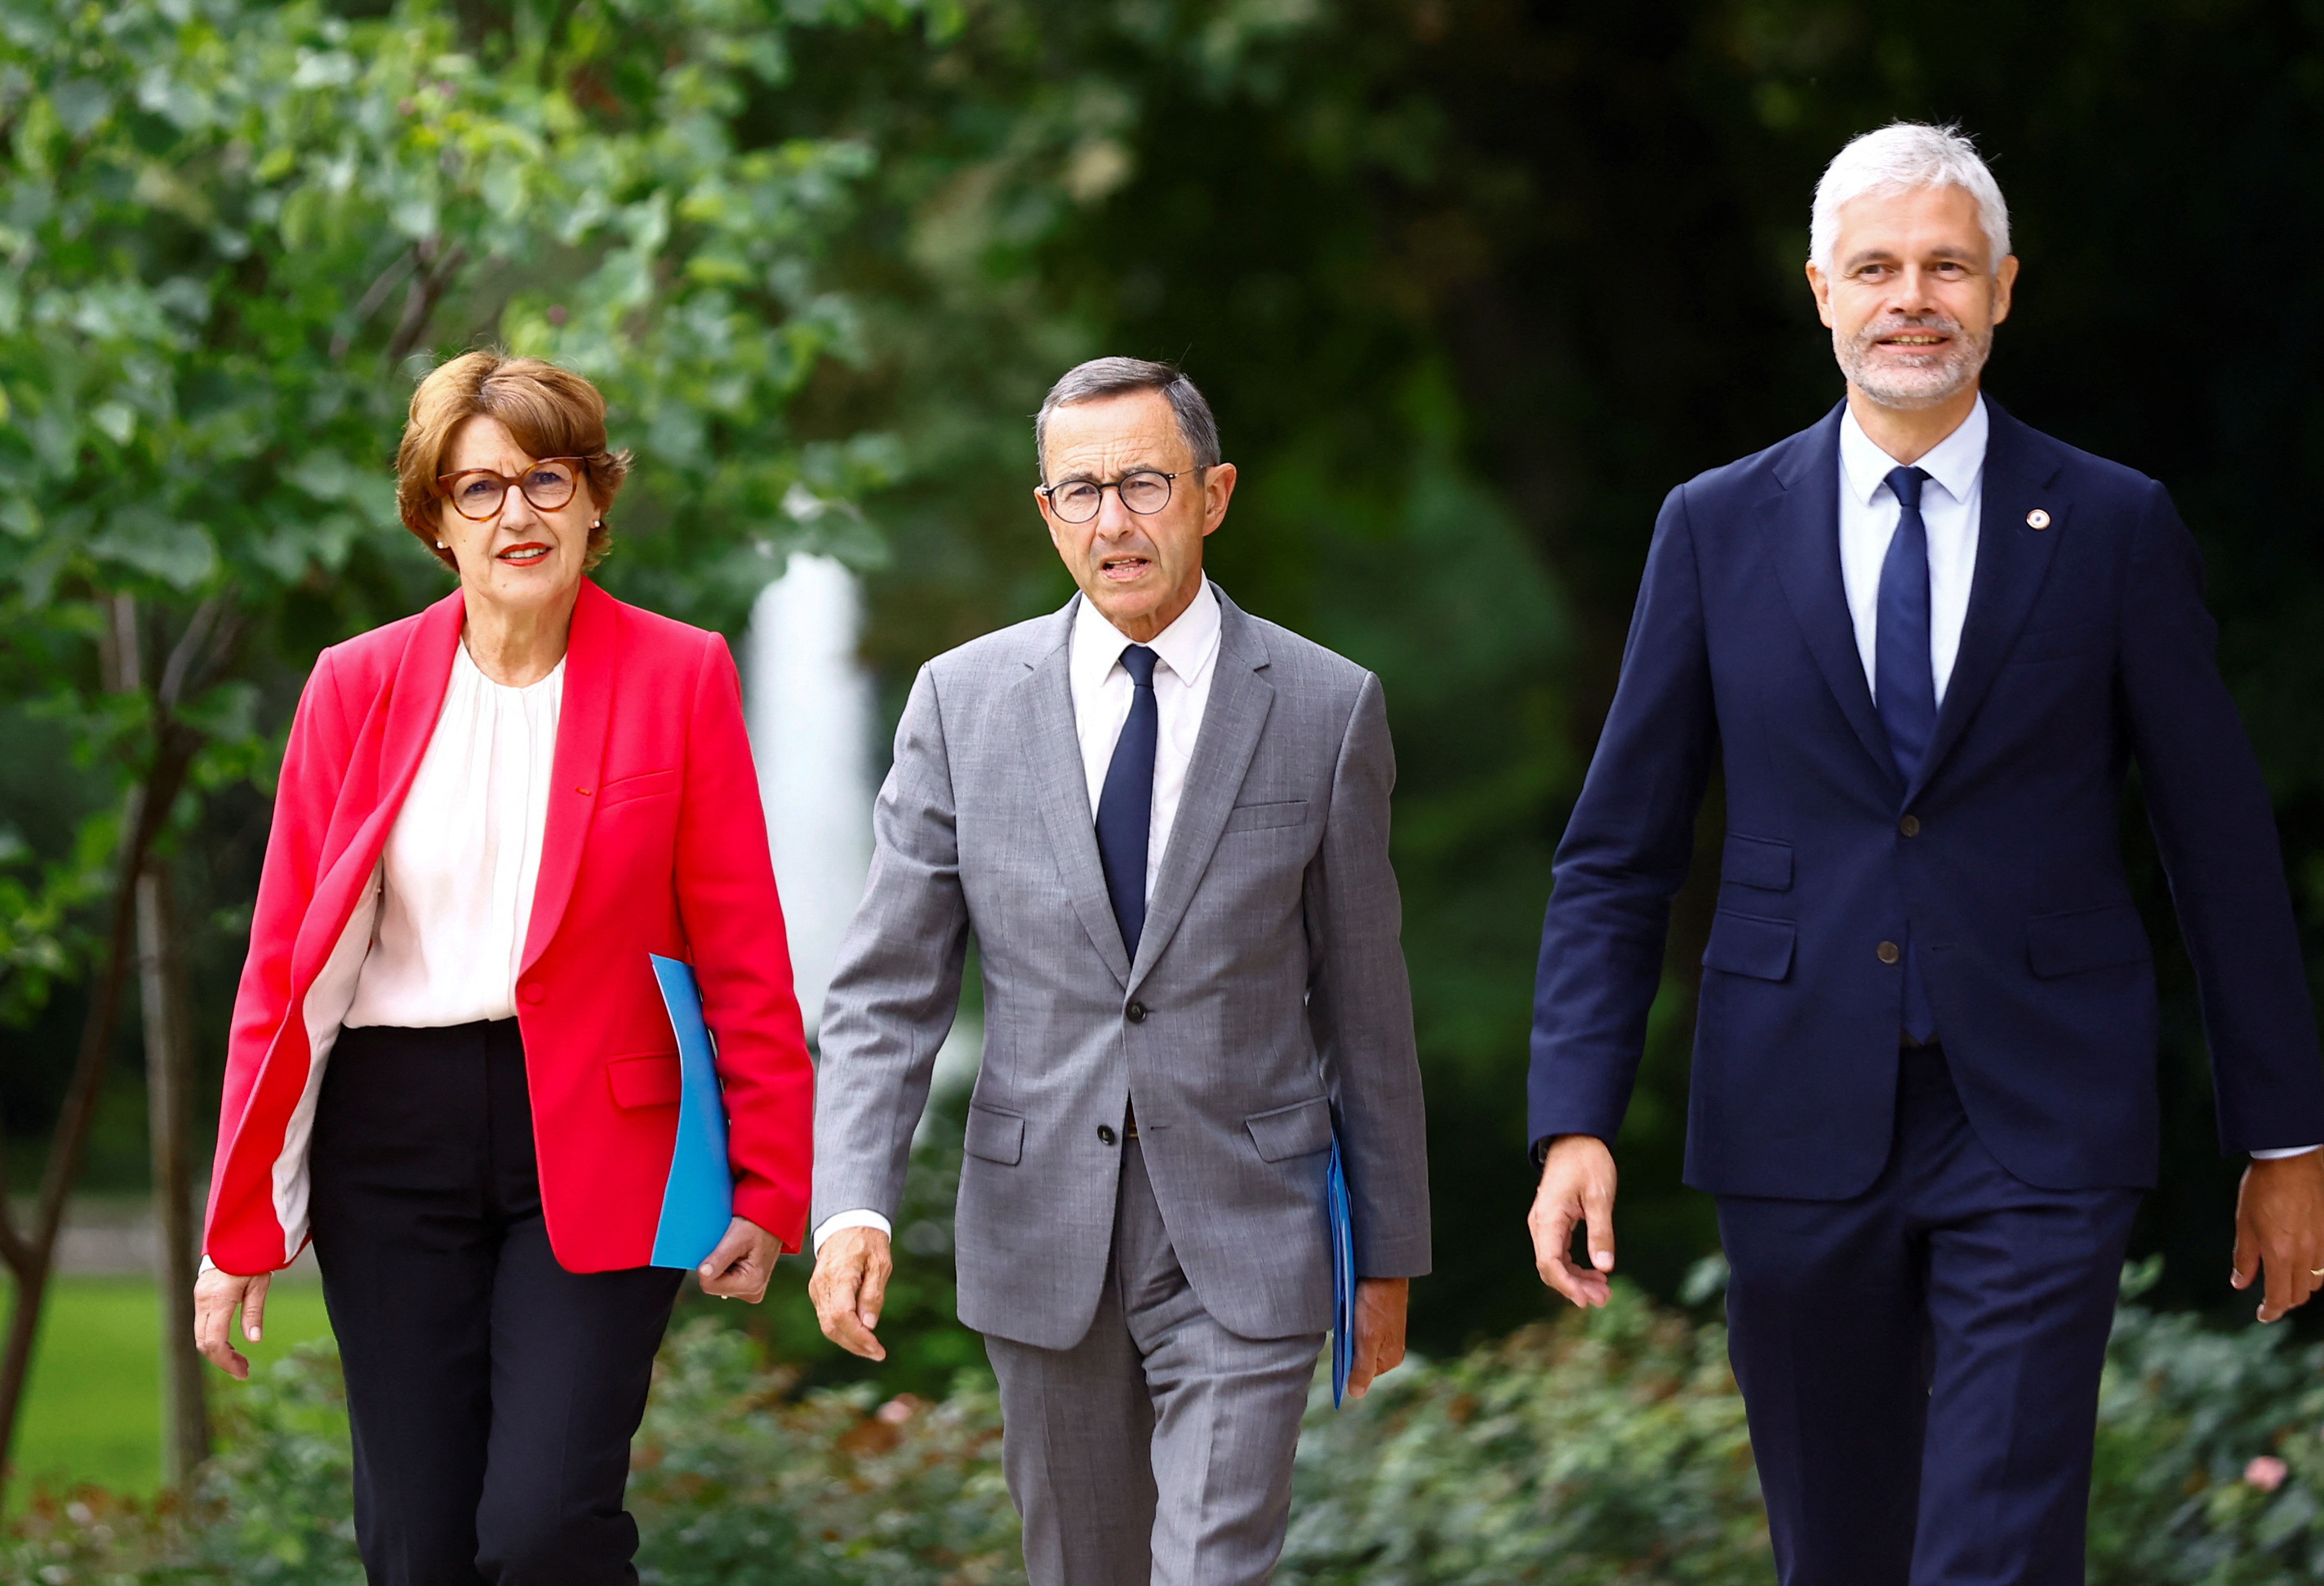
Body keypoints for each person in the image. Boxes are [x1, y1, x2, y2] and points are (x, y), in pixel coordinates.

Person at [1524, 124, 2324, 1584]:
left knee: (1997, 1547)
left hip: (2040, 1112)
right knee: (1836, 1551)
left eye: (1947, 265)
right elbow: (1617, 852)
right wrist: (1574, 1116)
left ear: (2004, 290)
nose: (1914, 297)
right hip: (1789, 1107)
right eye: (1880, 267)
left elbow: (2219, 847)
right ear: (1822, 290)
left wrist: (2283, 1136)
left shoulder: (2111, 525)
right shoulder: (1711, 529)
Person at [807, 357, 1431, 1585]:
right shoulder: (961, 703)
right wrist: (853, 1202)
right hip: (1040, 1227)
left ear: (1213, 494)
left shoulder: (1325, 705)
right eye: (1080, 490)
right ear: (1045, 513)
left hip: (1250, 1227)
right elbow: (887, 990)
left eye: (1144, 483)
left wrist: (1390, 1256)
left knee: (1213, 1567)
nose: (1113, 520)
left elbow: (1366, 1001)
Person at [193, 351, 812, 1585]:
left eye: (545, 478)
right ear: (435, 523)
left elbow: (742, 948)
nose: (515, 514)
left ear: (594, 499)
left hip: (600, 1133)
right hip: (393, 1138)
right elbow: (282, 970)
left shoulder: (680, 673)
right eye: (477, 490)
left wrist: (769, 1184)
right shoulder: (352, 686)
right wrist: (237, 1223)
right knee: (419, 1548)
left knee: (541, 1531)